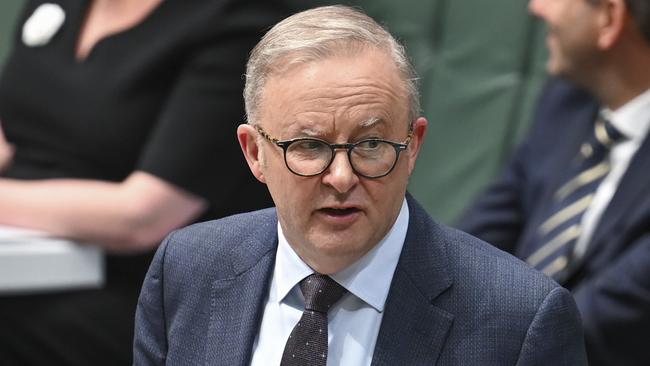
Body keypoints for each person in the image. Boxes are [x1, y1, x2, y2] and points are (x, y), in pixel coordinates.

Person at [133, 5, 587, 365]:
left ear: (412, 146)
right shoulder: (186, 270)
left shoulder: (519, 321)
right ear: (255, 154)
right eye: (309, 146)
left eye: (370, 143)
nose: (343, 177)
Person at [0, 0, 290, 364]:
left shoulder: (238, 24)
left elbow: (142, 217)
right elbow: (12, 130)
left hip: (148, 293)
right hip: (28, 251)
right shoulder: (56, 5)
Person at [458, 0, 650, 365]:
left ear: (610, 17)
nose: (537, 8)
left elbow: (612, 318)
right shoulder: (567, 100)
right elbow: (480, 233)